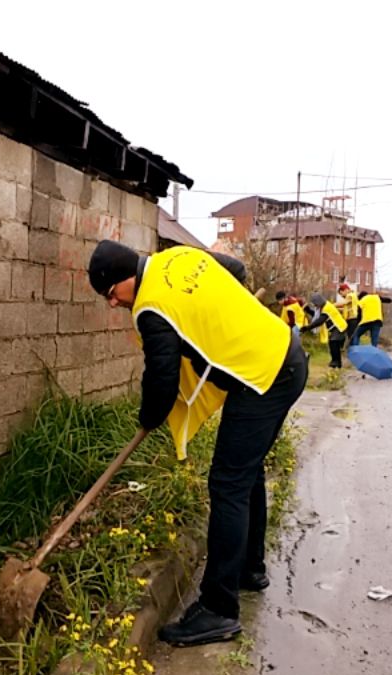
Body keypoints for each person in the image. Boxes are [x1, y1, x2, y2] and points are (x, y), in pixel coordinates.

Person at [88, 240, 307, 647]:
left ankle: (219, 610)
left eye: (111, 294)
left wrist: (149, 417)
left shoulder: (150, 309)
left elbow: (162, 379)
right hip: (285, 355)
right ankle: (248, 569)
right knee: (246, 471)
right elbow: (237, 269)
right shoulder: (181, 257)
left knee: (227, 484)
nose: (113, 304)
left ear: (125, 280)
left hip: (265, 376)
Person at [302, 292, 347, 368]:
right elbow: (317, 316)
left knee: (333, 342)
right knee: (333, 343)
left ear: (318, 301)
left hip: (339, 327)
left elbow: (320, 321)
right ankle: (336, 362)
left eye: (315, 303)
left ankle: (335, 362)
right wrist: (308, 310)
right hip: (336, 328)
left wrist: (308, 327)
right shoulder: (324, 307)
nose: (315, 305)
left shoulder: (327, 308)